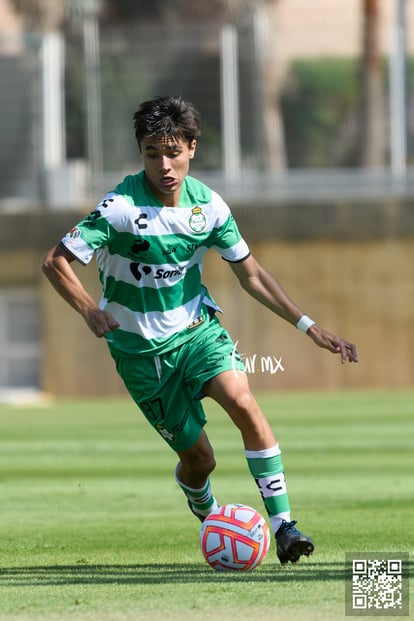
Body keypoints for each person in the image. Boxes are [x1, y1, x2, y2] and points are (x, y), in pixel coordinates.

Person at [42, 95, 358, 565]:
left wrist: (308, 326)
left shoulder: (208, 207)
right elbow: (55, 261)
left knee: (244, 402)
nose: (164, 165)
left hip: (197, 333)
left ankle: (284, 526)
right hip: (142, 356)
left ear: (192, 147)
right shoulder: (119, 208)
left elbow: (251, 274)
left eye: (173, 152)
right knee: (201, 462)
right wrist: (90, 310)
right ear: (141, 153)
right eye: (152, 154)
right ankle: (210, 515)